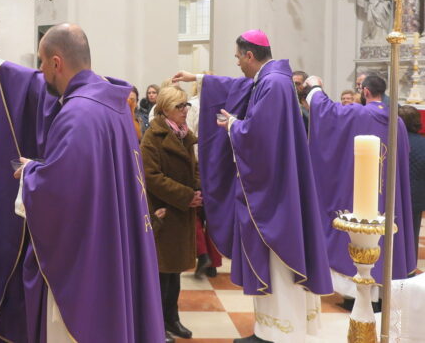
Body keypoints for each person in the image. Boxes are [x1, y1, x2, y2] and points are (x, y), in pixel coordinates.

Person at [0, 23, 163, 343]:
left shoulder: (77, 114)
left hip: (86, 260)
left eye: (42, 63)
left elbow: (60, 191)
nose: (40, 71)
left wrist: (31, 172)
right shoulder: (110, 102)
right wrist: (0, 66)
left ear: (56, 62)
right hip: (110, 239)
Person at [173, 29, 332, 343]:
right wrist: (200, 79)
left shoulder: (273, 84)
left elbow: (260, 135)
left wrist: (232, 125)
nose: (237, 63)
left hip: (275, 192)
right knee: (271, 260)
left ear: (249, 54)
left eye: (237, 57)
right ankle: (267, 329)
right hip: (277, 185)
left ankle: (281, 332)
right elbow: (238, 88)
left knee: (279, 258)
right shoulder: (270, 79)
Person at [305, 74, 415, 301]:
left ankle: (361, 291)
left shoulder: (359, 113)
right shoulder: (398, 122)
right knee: (385, 233)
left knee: (362, 230)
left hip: (361, 192)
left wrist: (315, 87)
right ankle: (382, 292)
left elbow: (327, 112)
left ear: (365, 91)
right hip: (389, 194)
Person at [140, 85, 201, 341]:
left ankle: (172, 318)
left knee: (175, 272)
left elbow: (194, 166)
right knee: (161, 273)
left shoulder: (184, 134)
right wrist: (186, 196)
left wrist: (197, 190)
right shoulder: (153, 137)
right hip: (164, 211)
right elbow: (152, 177)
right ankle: (157, 325)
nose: (185, 110)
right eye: (179, 106)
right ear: (165, 110)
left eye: (186, 105)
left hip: (181, 211)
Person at [399, 105, 425, 251]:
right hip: (416, 198)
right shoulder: (423, 143)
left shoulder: (391, 140)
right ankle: (410, 263)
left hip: (394, 196)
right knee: (412, 235)